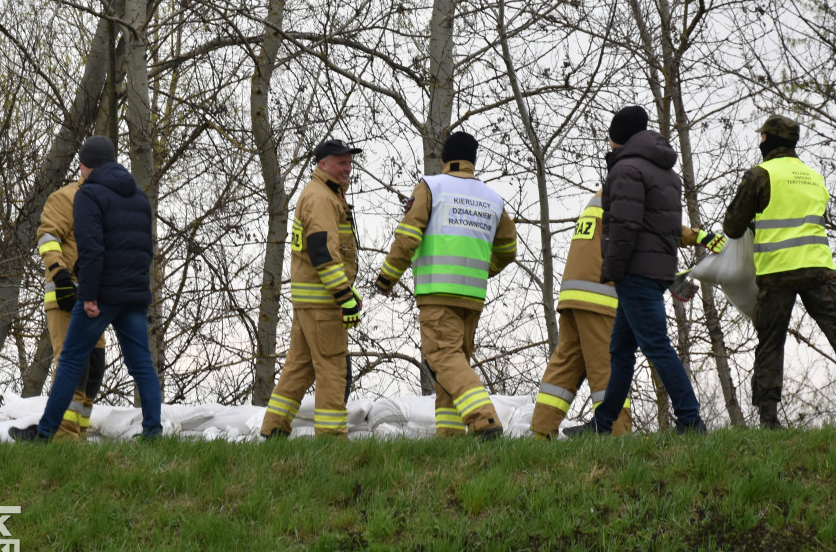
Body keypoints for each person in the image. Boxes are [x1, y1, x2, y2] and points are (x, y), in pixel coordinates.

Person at [530, 186, 723, 439]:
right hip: (600, 294)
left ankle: (541, 432)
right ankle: (616, 435)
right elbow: (659, 228)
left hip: (572, 293)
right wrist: (699, 236)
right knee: (608, 367)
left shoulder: (603, 194)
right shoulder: (629, 192)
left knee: (566, 361)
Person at [565, 106, 707, 436]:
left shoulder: (626, 169)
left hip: (634, 273)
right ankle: (603, 423)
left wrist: (612, 270)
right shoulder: (665, 172)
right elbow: (663, 228)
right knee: (621, 351)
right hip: (653, 270)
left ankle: (690, 419)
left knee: (657, 346)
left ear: (619, 138)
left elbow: (625, 227)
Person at [10, 136, 162, 442]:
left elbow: (93, 251)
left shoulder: (86, 195)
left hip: (96, 292)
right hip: (133, 294)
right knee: (140, 364)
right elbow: (144, 249)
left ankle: (48, 432)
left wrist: (88, 293)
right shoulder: (137, 197)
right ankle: (152, 432)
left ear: (84, 165)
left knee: (72, 362)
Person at [375, 132, 517, 438]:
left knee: (442, 358)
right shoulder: (493, 199)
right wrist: (481, 269)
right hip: (473, 297)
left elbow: (408, 236)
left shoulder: (432, 187)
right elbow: (508, 251)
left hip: (438, 294)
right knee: (451, 368)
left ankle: (485, 421)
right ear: (472, 162)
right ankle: (450, 438)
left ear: (443, 160)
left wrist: (387, 276)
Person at [722, 115, 836, 429]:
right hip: (818, 268)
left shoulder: (761, 174)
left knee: (770, 343)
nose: (759, 142)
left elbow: (732, 227)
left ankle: (769, 419)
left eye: (762, 137)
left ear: (769, 140)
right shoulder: (814, 177)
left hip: (778, 272)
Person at [259, 139, 362, 439]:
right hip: (323, 302)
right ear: (323, 164)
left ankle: (274, 430)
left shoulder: (324, 194)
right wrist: (344, 296)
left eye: (349, 162)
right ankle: (331, 439)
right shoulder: (320, 198)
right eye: (341, 162)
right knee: (332, 367)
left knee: (299, 368)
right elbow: (323, 252)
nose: (348, 168)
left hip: (310, 302)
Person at [35, 160, 107, 441]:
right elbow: (47, 235)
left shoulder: (105, 203)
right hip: (65, 295)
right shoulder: (65, 198)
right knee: (72, 366)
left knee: (94, 369)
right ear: (82, 167)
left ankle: (78, 433)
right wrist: (59, 274)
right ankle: (63, 437)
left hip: (92, 300)